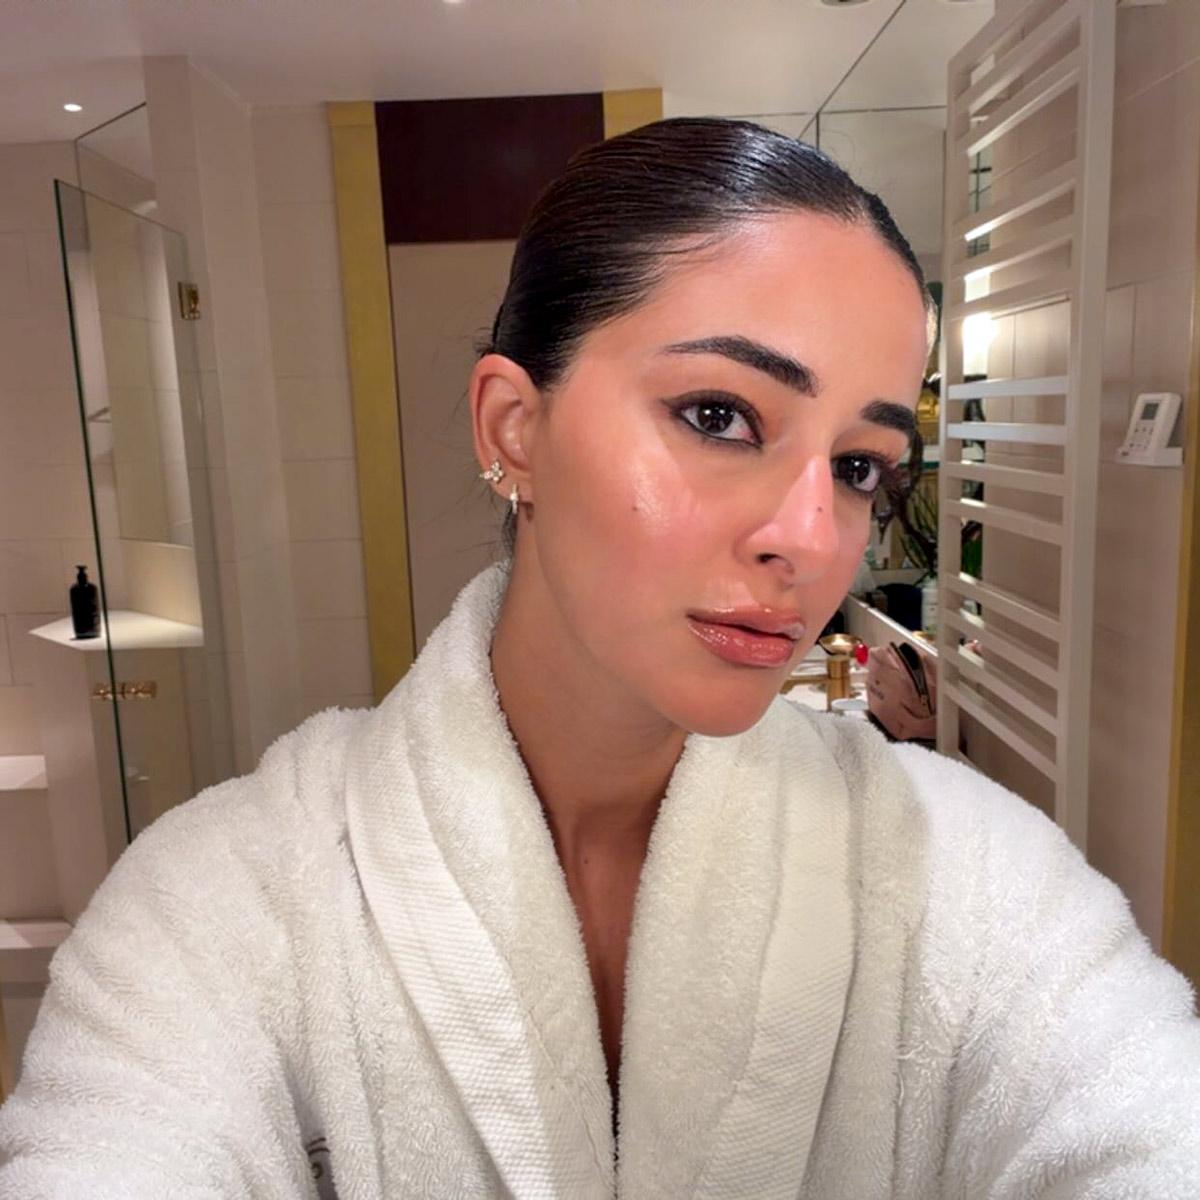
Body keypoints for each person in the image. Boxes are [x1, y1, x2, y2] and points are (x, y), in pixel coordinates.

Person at [1, 117, 1198, 1199]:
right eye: (720, 415)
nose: (808, 539)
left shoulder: (969, 874)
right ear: (513, 429)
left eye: (857, 466)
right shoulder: (219, 904)